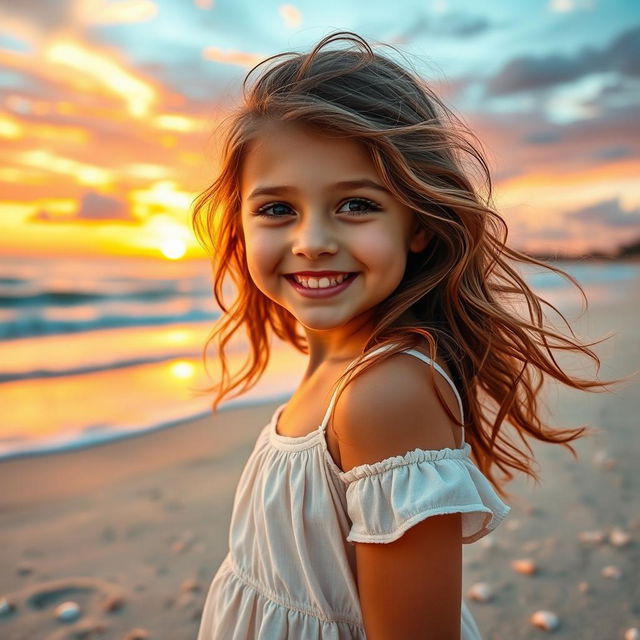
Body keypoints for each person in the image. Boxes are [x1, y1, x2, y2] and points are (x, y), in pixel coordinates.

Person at [193, 30, 620, 639]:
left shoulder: (386, 393)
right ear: (239, 222)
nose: (311, 240)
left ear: (417, 225)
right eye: (277, 209)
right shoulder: (340, 365)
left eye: (357, 205)